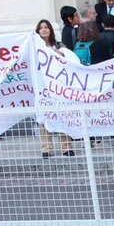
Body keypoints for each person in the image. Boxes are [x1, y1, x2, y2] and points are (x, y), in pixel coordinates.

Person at [35, 19, 75, 158]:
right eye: (41, 28)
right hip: (42, 87)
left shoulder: (58, 45)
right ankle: (46, 148)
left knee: (62, 115)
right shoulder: (34, 47)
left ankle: (66, 147)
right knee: (44, 116)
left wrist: (56, 53)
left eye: (46, 27)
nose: (44, 30)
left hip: (58, 86)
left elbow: (68, 59)